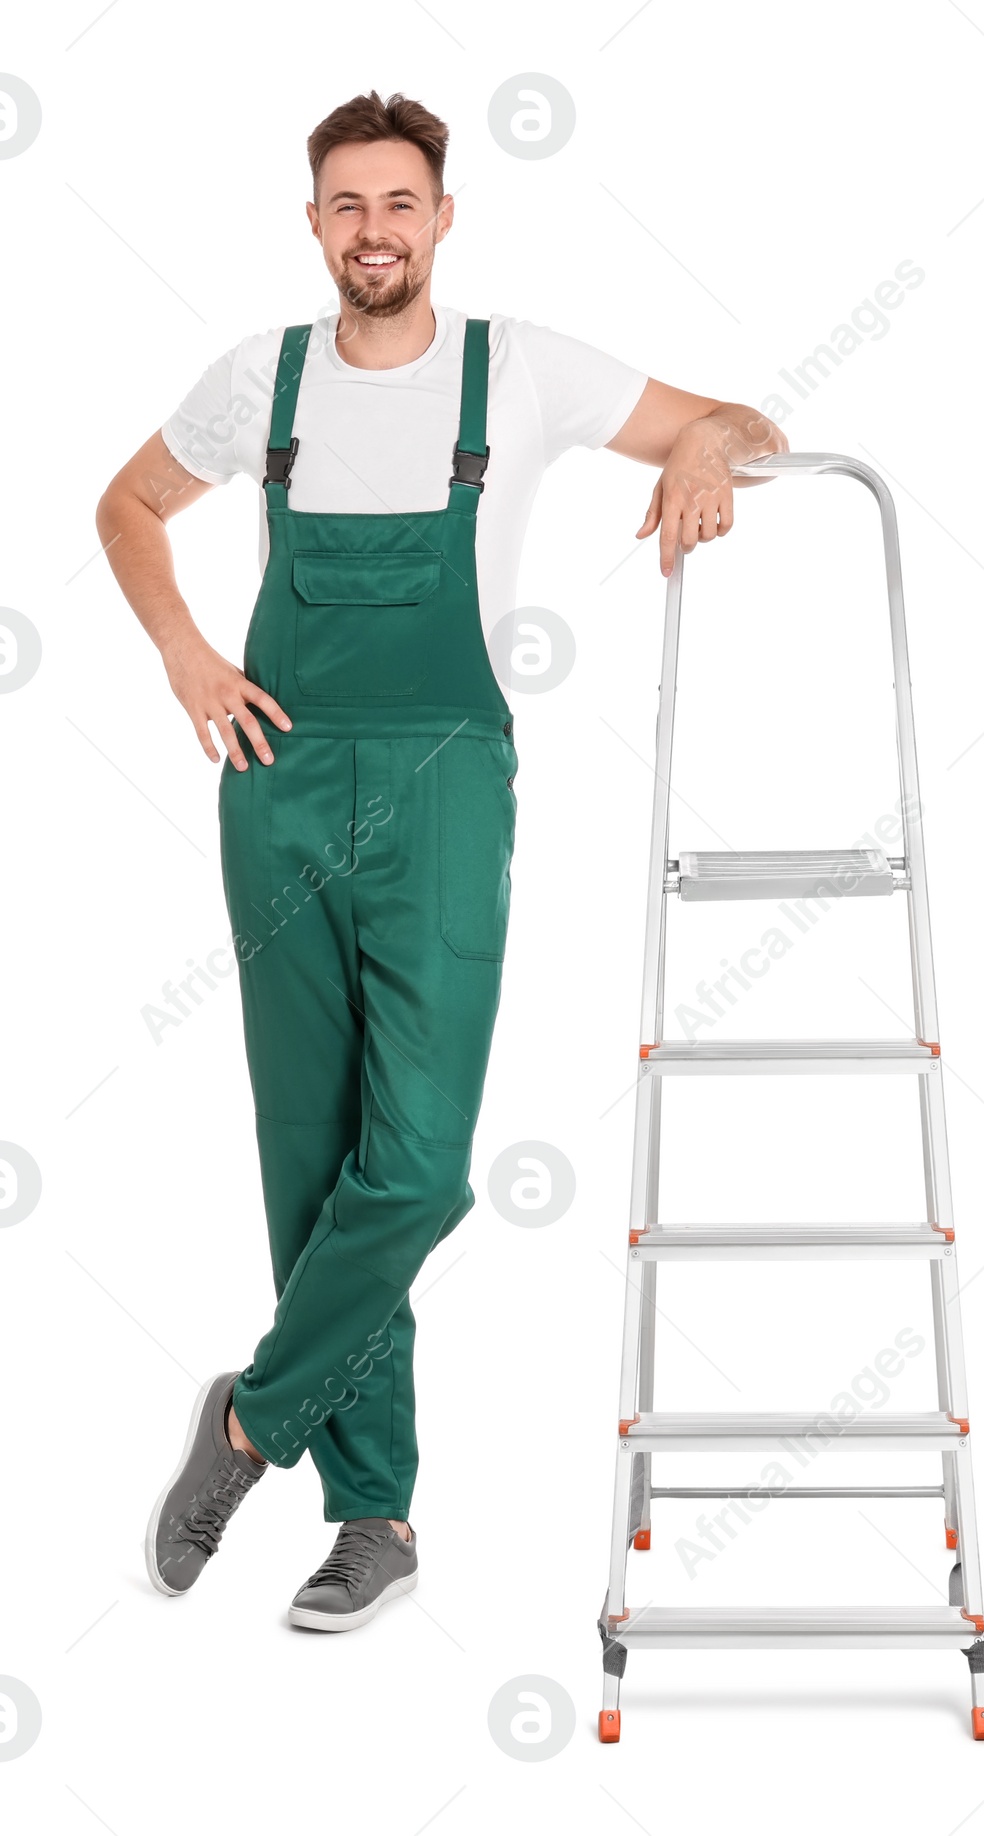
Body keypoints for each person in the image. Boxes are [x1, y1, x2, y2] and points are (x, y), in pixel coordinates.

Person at [97, 89, 784, 1631]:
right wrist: (185, 654)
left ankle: (250, 1422)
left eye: (400, 204)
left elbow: (743, 418)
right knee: (309, 1158)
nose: (375, 232)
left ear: (443, 218)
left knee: (411, 1168)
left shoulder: (519, 368)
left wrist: (706, 461)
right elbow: (127, 503)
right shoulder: (258, 379)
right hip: (273, 782)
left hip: (448, 789)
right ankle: (375, 1518)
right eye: (347, 207)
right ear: (315, 226)